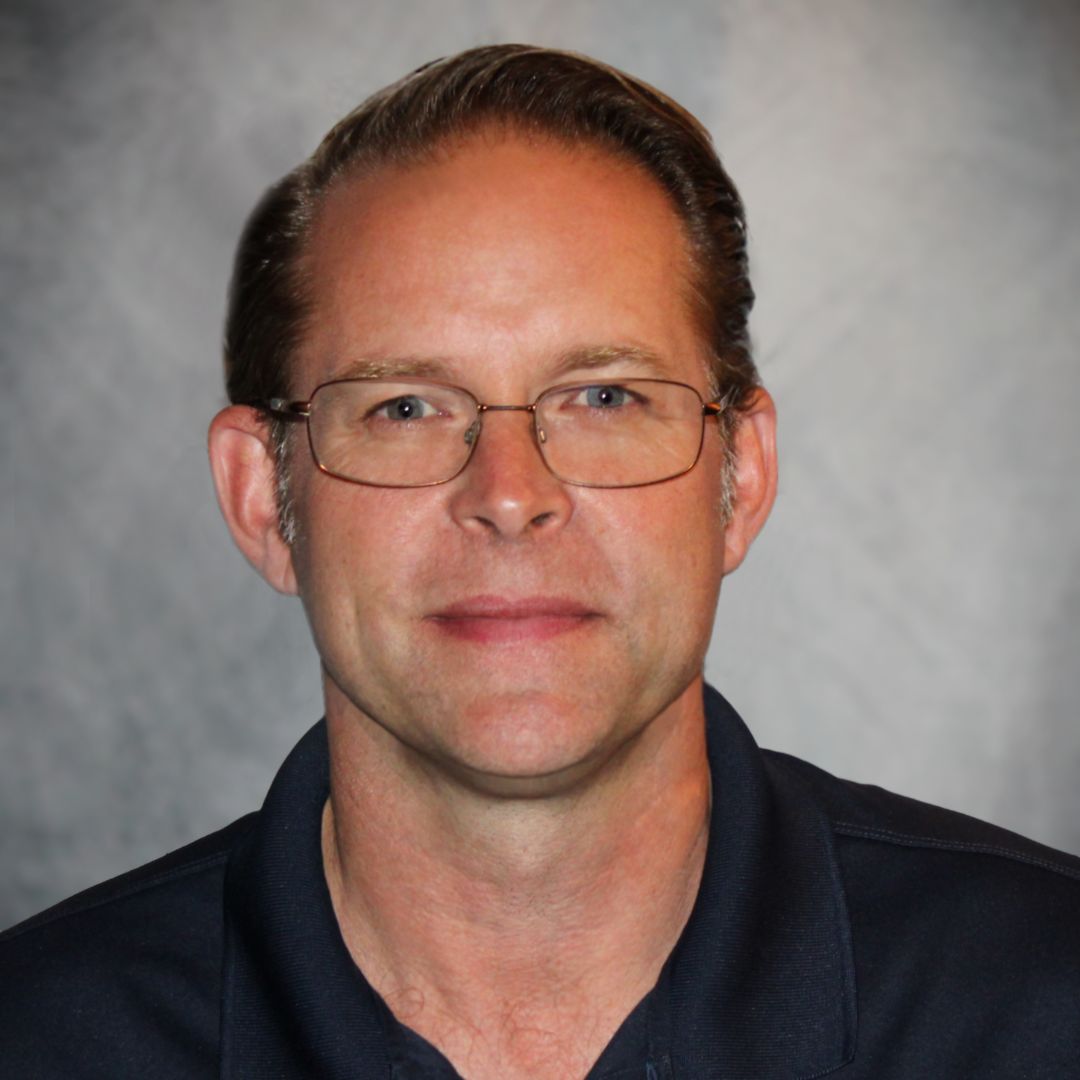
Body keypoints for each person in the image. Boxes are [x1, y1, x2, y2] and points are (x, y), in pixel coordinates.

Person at [2, 44, 1079, 1080]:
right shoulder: (39, 1039)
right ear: (265, 500)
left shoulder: (1045, 998)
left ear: (739, 478)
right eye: (405, 406)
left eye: (605, 396)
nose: (511, 494)